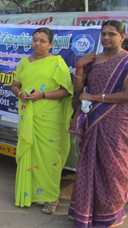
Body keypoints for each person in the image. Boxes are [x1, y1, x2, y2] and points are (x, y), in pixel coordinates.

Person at [68, 20, 128, 227]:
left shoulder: (126, 62)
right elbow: (79, 90)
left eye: (112, 34)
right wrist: (80, 65)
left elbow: (126, 95)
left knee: (114, 166)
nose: (106, 38)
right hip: (93, 118)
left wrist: (96, 97)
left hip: (115, 120)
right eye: (103, 34)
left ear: (123, 36)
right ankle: (85, 212)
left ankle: (110, 214)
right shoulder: (94, 59)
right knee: (88, 165)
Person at [10, 27, 73, 214]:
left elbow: (66, 91)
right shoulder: (24, 62)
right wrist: (20, 93)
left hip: (49, 117)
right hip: (27, 114)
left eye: (42, 40)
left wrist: (42, 94)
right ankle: (29, 194)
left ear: (51, 44)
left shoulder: (57, 62)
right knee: (29, 154)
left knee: (49, 158)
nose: (37, 43)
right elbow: (15, 85)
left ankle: (51, 197)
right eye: (35, 39)